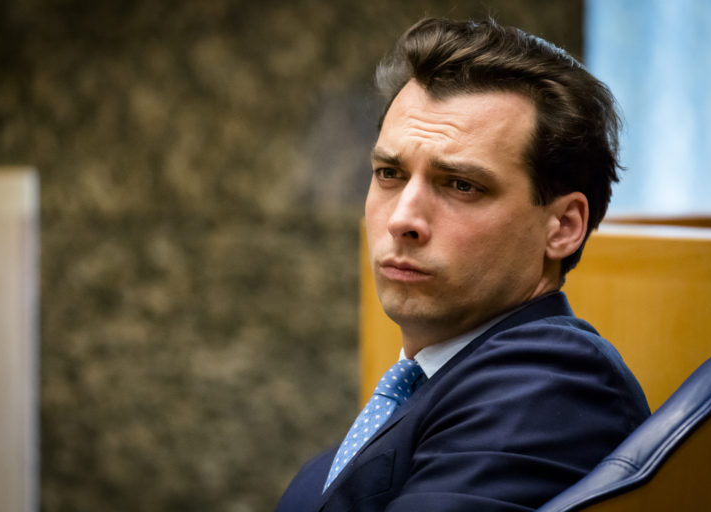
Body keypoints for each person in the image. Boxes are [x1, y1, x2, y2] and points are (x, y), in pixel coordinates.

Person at [276, 17, 650, 512]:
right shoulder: (433, 379)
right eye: (389, 173)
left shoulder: (552, 384)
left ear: (562, 226)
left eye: (461, 185)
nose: (402, 219)